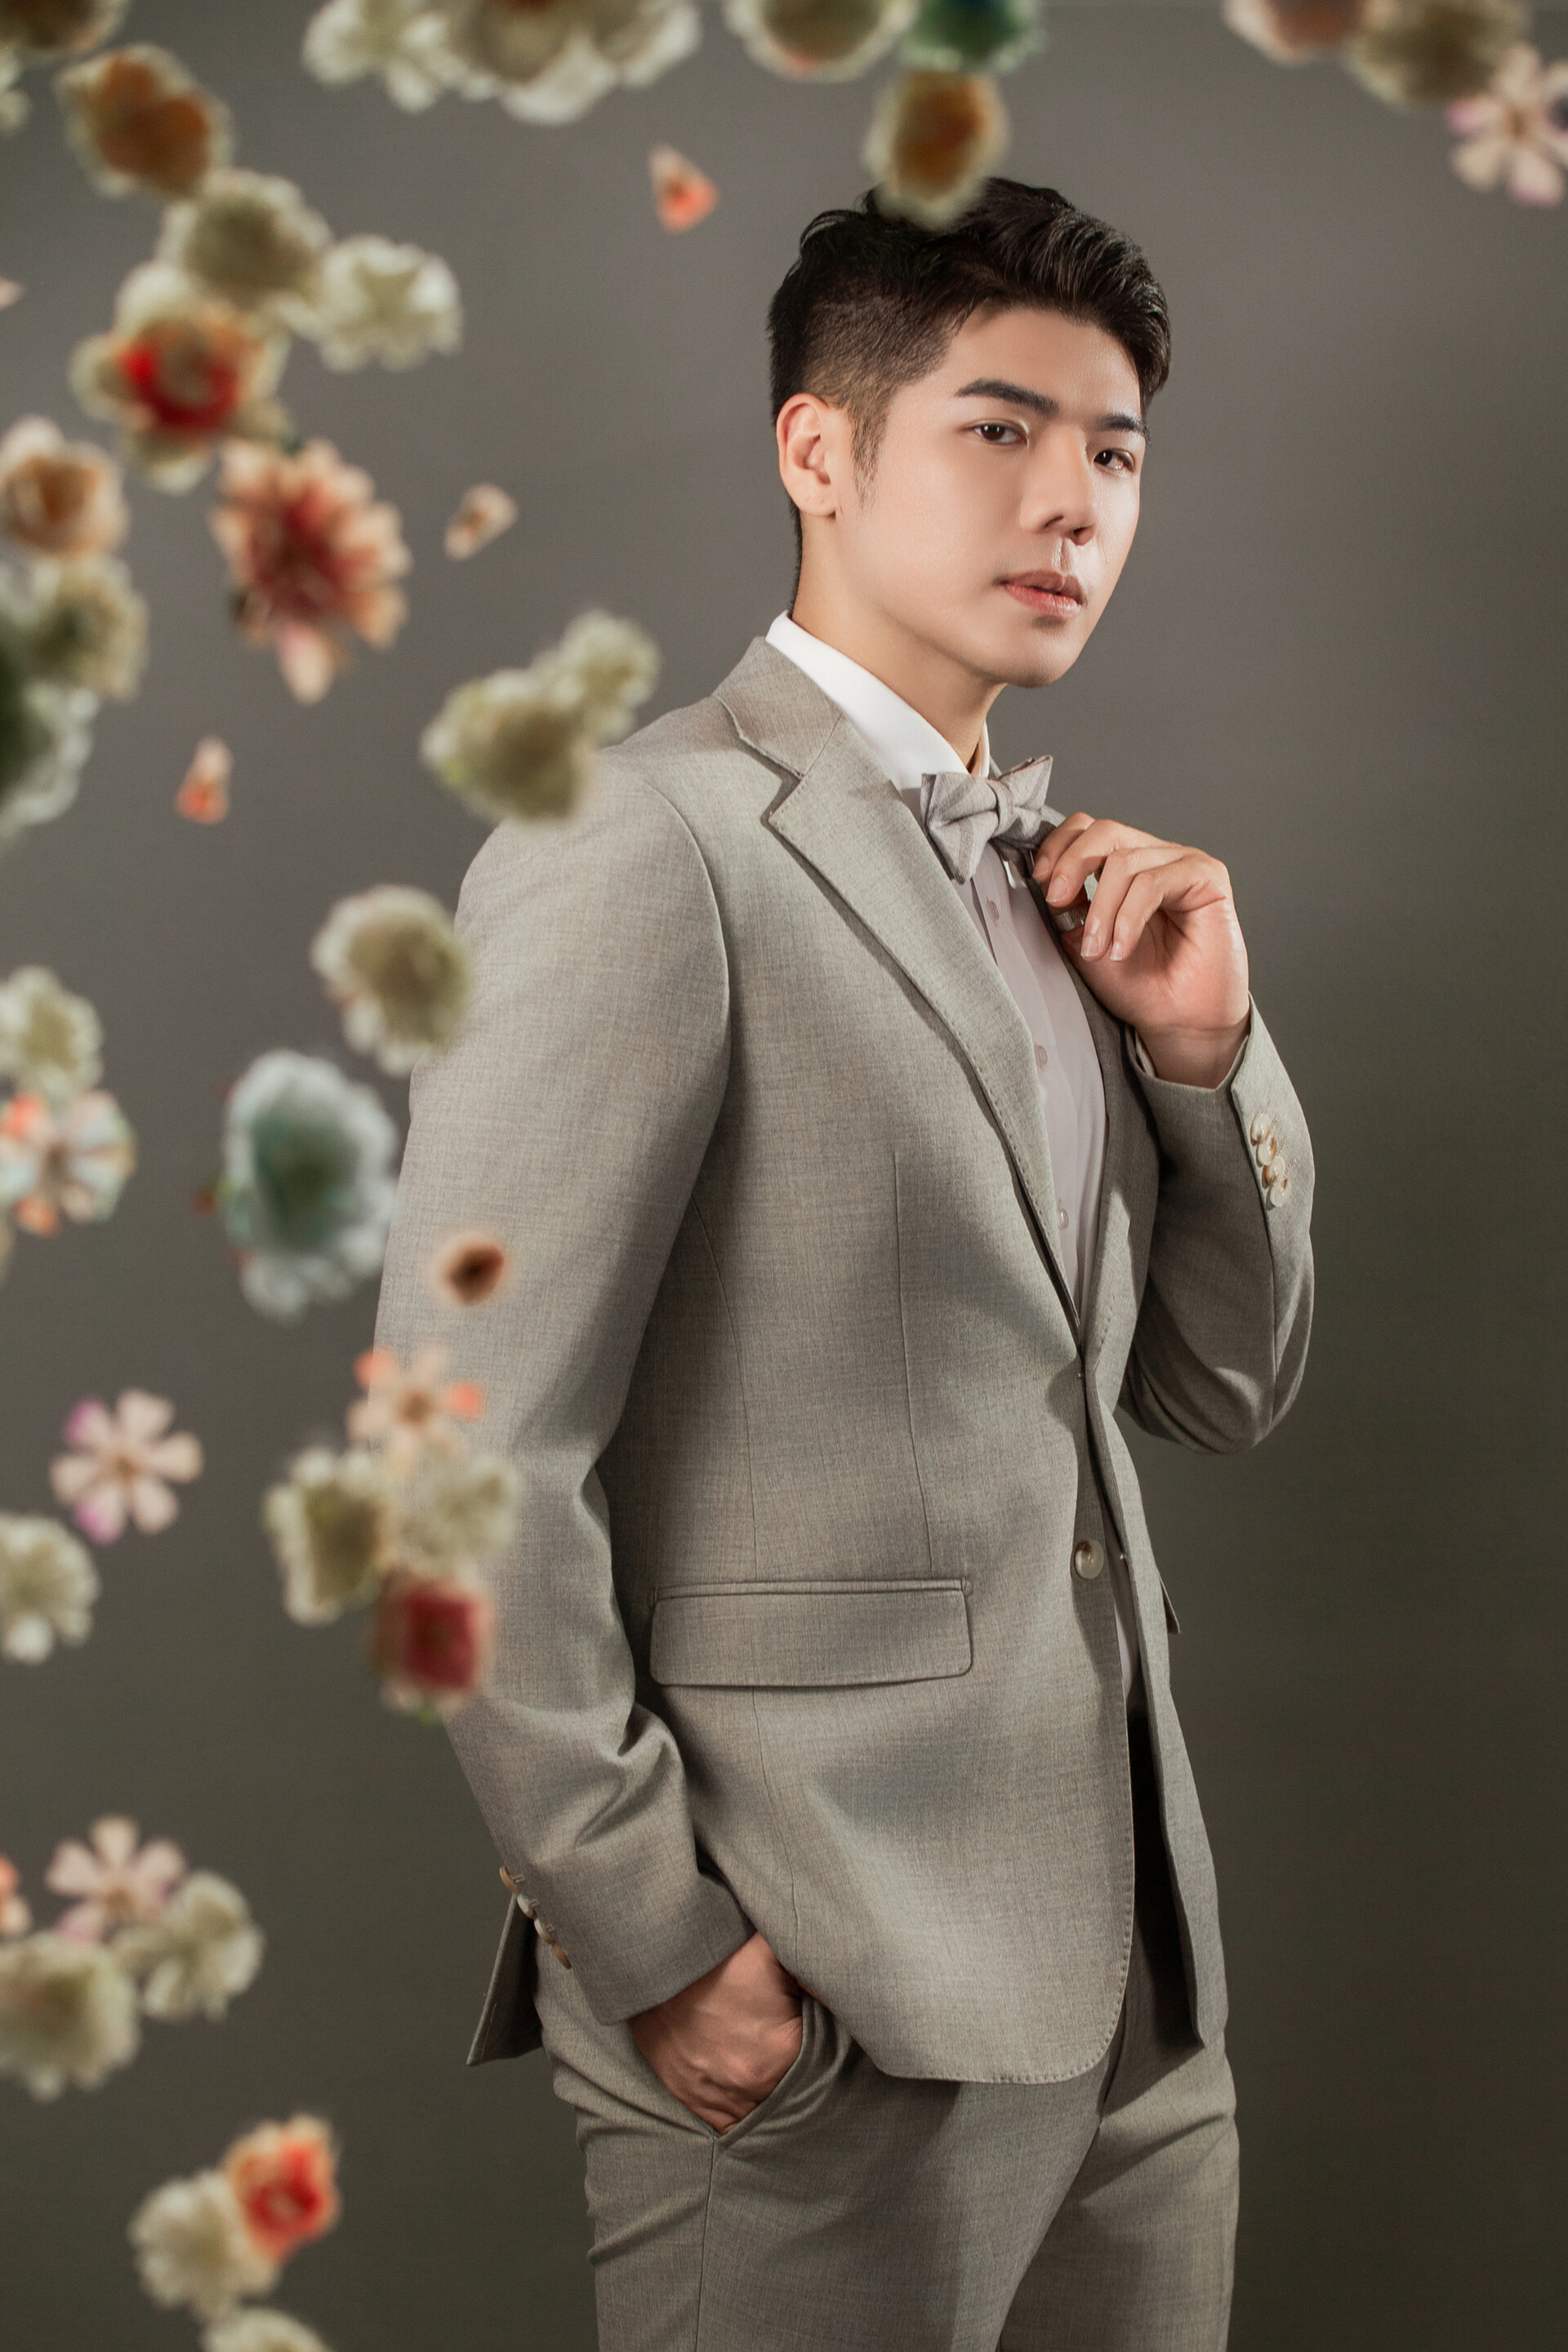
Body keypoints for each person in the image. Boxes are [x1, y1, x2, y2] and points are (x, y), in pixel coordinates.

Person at [373, 179, 1313, 2352]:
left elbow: (1220, 1386)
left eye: (1115, 452)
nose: (1072, 500)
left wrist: (1206, 1056)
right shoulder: (642, 844)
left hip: (1135, 2008)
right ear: (818, 450)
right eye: (1001, 430)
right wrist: (656, 1939)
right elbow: (457, 1458)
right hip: (813, 2002)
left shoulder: (1079, 890)